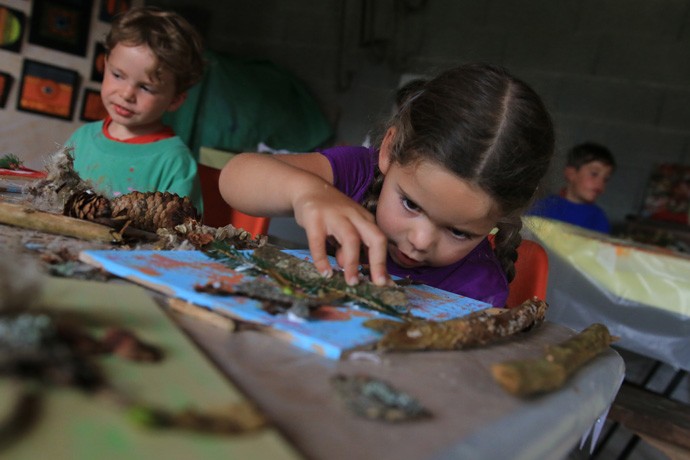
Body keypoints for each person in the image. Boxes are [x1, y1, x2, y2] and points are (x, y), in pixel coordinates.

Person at [219, 63, 554, 307]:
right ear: (390, 149)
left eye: (459, 232)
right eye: (410, 204)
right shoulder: (356, 173)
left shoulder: (479, 291)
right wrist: (305, 193)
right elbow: (235, 177)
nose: (420, 241)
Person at [65, 6, 204, 211]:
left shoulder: (175, 162)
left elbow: (181, 235)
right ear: (105, 65)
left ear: (174, 100)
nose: (127, 94)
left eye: (146, 87)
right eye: (118, 75)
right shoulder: (82, 138)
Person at [528, 142, 616, 233]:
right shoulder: (541, 208)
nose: (600, 183)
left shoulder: (599, 219)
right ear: (571, 173)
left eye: (605, 179)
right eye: (594, 174)